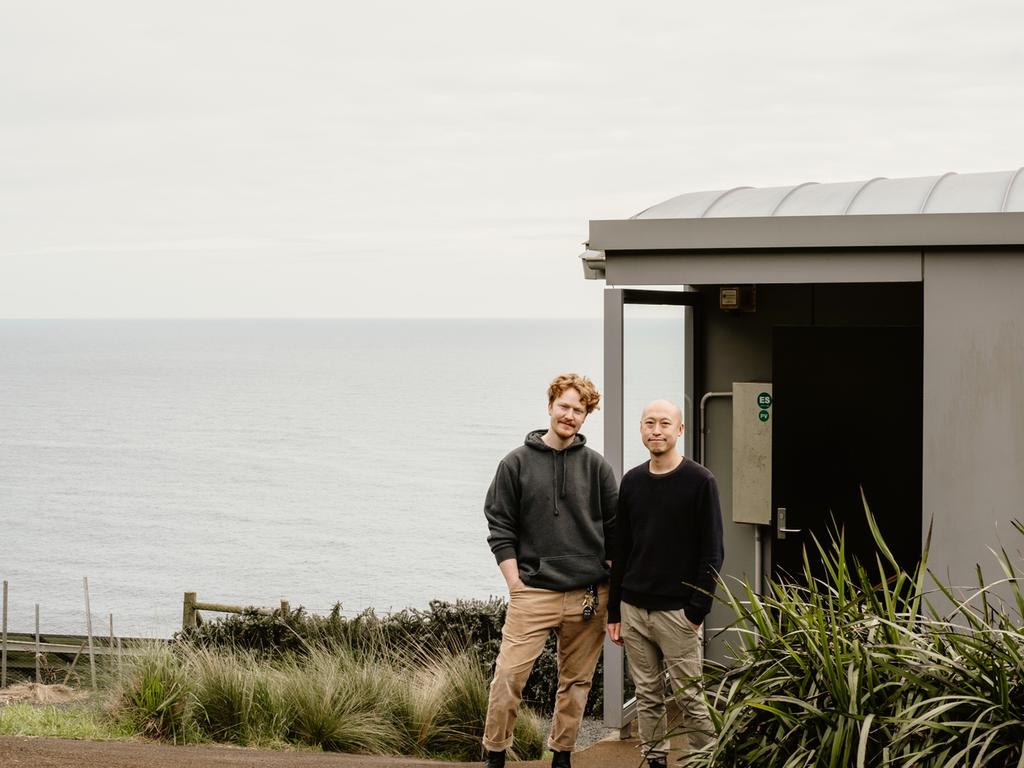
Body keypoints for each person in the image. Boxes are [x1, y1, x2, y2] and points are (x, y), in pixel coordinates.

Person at [482, 373, 617, 768]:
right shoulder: (515, 464)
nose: (570, 415)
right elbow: (500, 527)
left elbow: (614, 532)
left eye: (580, 410)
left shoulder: (597, 467)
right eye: (565, 406)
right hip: (533, 593)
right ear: (550, 405)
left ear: (586, 415)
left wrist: (614, 591)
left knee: (576, 684)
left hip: (589, 595)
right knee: (508, 678)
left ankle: (562, 755)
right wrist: (515, 585)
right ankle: (495, 755)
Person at [607, 399, 724, 767]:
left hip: (677, 613)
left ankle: (708, 760)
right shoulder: (632, 481)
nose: (656, 430)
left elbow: (713, 552)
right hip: (634, 608)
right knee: (647, 694)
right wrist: (615, 610)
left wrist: (696, 611)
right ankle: (654, 760)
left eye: (664, 424)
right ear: (641, 429)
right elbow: (621, 550)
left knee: (690, 696)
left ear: (680, 430)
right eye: (649, 423)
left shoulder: (700, 481)